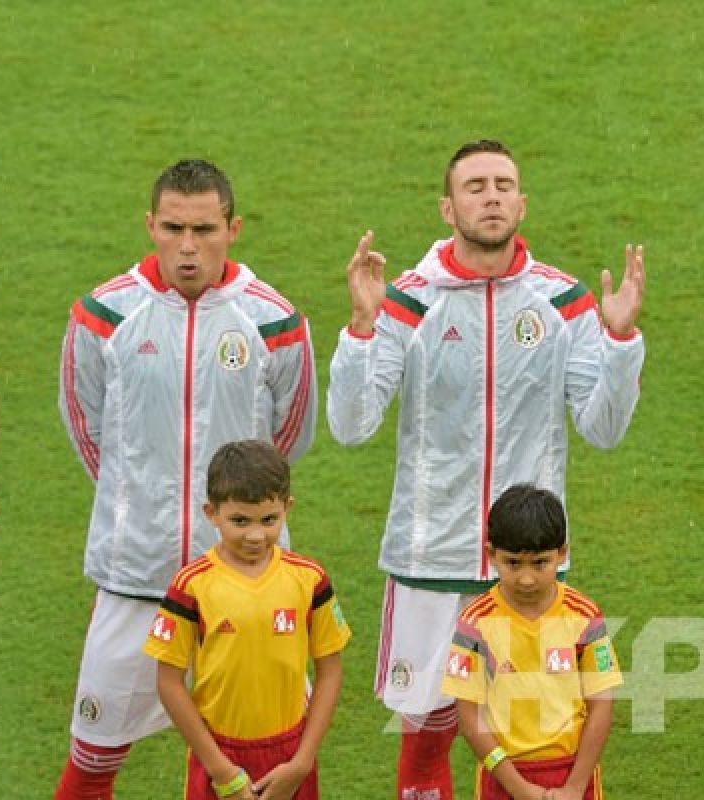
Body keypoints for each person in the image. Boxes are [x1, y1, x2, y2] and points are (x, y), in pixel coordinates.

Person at [327, 138, 644, 799]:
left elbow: (604, 429)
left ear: (522, 202)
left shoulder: (565, 303)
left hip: (526, 564)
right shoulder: (406, 301)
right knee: (427, 731)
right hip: (430, 556)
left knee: (533, 732)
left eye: (504, 184)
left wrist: (618, 342)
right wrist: (361, 326)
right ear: (448, 207)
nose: (491, 195)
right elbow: (351, 425)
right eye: (475, 186)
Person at [56, 160, 317, 798]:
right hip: (135, 580)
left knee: (263, 766)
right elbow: (86, 430)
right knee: (89, 765)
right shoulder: (103, 315)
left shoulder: (274, 321)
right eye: (173, 228)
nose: (189, 245)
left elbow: (289, 440)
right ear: (151, 225)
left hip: (247, 586)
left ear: (234, 228)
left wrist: (236, 523)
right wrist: (134, 502)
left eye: (205, 228)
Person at [145, 440, 350, 800]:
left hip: (290, 757)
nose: (255, 535)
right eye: (239, 521)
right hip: (219, 757)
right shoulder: (191, 585)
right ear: (211, 512)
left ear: (287, 508)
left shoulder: (310, 579)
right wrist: (220, 768)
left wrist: (302, 762)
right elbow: (169, 681)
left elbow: (330, 669)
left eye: (269, 520)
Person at [442, 484, 621, 800]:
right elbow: (469, 718)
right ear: (492, 555)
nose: (527, 578)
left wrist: (576, 786)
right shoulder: (474, 623)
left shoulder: (585, 616)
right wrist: (519, 788)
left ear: (562, 553)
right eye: (513, 563)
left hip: (573, 773)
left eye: (540, 563)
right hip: (503, 776)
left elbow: (602, 706)